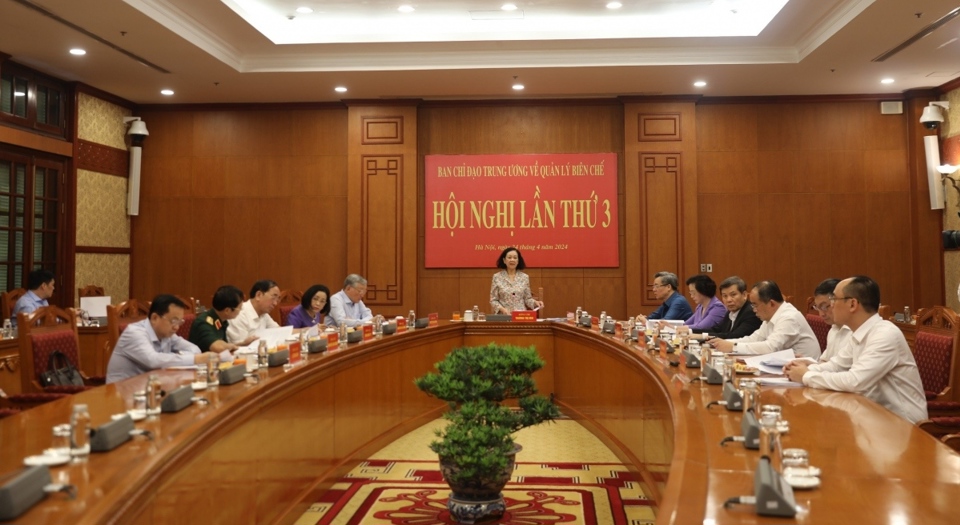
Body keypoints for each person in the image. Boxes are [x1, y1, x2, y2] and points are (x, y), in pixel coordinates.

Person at [785, 276, 927, 424]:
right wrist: (798, 369)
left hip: (902, 423)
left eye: (834, 300)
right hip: (869, 413)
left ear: (852, 304)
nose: (831, 306)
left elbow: (855, 381)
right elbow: (836, 365)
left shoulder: (885, 335)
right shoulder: (858, 333)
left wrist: (806, 376)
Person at [106, 295, 212, 383]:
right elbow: (153, 360)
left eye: (179, 322)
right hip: (121, 393)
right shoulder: (134, 333)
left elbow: (195, 349)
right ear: (155, 318)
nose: (176, 327)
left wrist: (178, 357)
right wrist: (194, 359)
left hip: (150, 387)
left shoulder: (166, 334)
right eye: (173, 321)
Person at [709, 280, 821, 359]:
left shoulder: (789, 317)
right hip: (786, 367)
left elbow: (770, 347)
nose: (754, 310)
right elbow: (754, 339)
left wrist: (733, 347)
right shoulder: (770, 317)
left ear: (771, 303)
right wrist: (724, 343)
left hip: (804, 372)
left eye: (755, 305)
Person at [189, 285, 255, 353]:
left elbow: (225, 347)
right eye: (240, 307)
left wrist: (243, 344)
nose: (241, 310)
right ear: (227, 311)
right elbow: (219, 348)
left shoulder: (220, 320)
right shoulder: (203, 323)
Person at [692, 276, 762, 340]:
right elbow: (717, 330)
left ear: (744, 295)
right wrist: (691, 331)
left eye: (733, 295)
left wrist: (702, 336)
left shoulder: (751, 312)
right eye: (725, 296)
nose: (728, 300)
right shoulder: (729, 312)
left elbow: (735, 336)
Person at [489, 247, 543, 314]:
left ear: (518, 261)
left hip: (520, 315)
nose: (512, 260)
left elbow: (527, 299)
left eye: (515, 258)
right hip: (504, 315)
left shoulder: (524, 277)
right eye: (509, 257)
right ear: (504, 260)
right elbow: (493, 300)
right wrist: (502, 309)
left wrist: (535, 302)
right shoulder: (497, 277)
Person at [810, 278, 851, 363]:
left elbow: (840, 367)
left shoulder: (854, 332)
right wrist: (808, 364)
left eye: (825, 307)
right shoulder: (833, 329)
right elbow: (825, 361)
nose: (821, 314)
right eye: (818, 308)